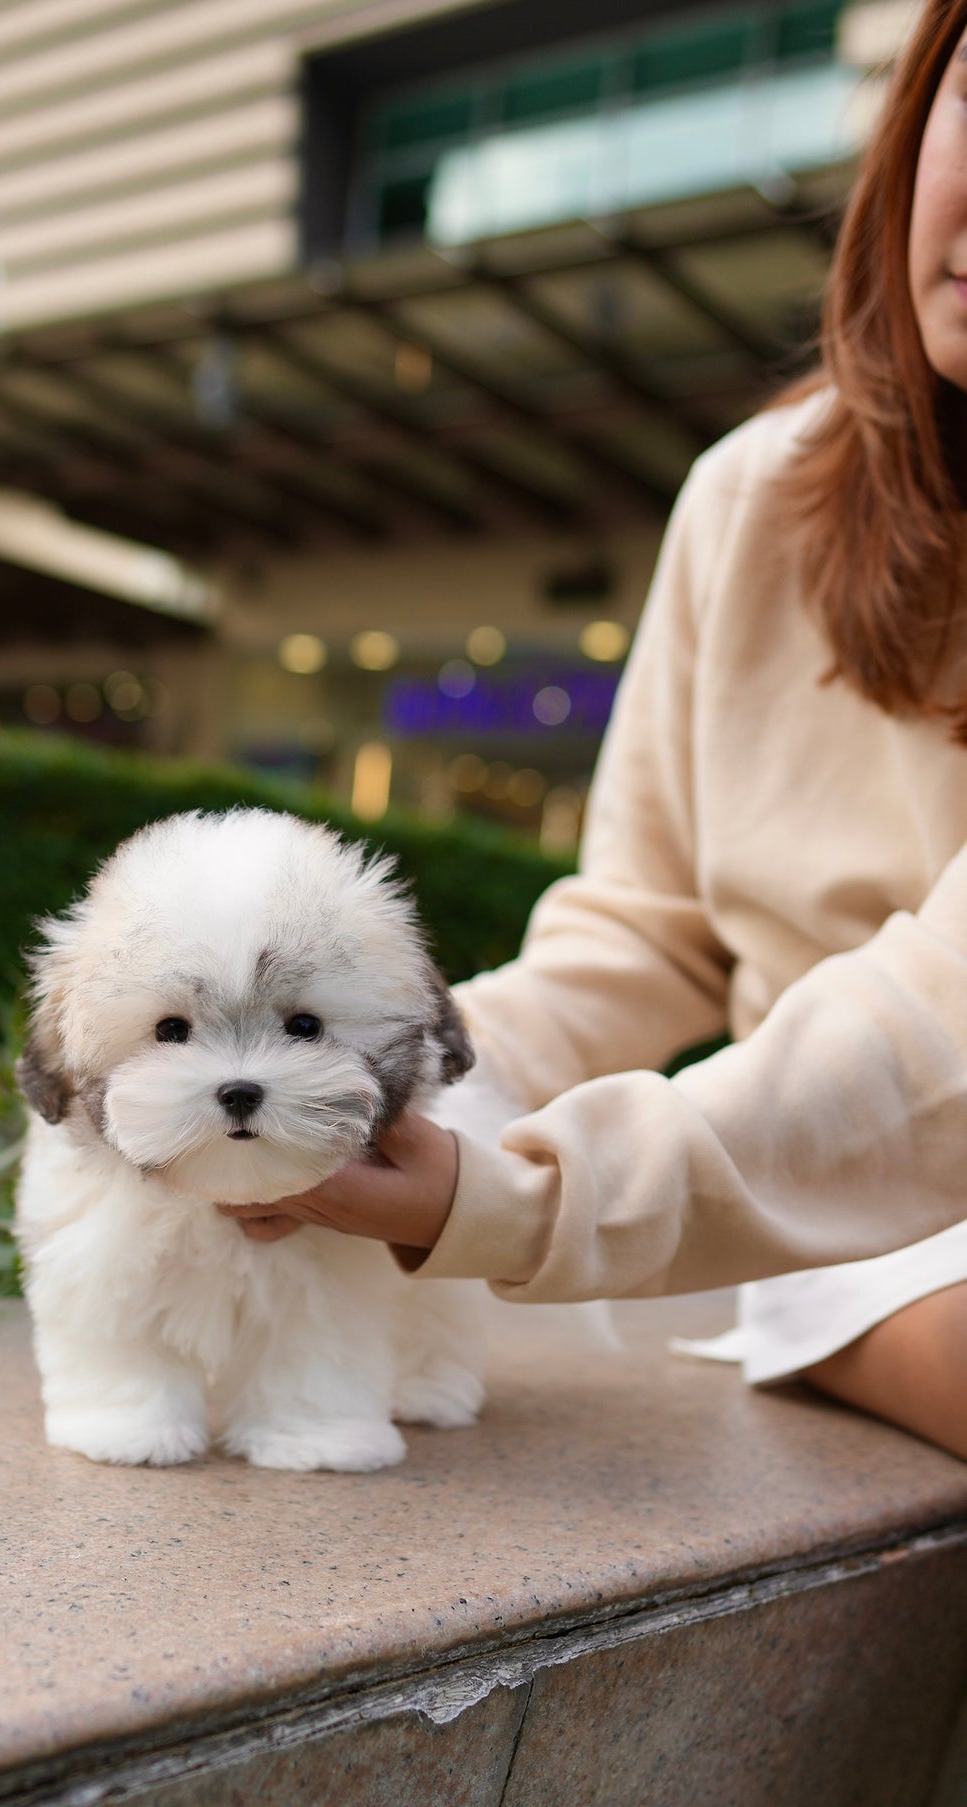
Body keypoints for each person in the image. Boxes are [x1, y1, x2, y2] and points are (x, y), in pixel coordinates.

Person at [220, 0, 967, 1462]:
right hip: (823, 1191)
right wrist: (392, 1077)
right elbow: (645, 927)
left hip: (825, 1158)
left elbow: (943, 1024)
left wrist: (506, 1199)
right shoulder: (760, 495)